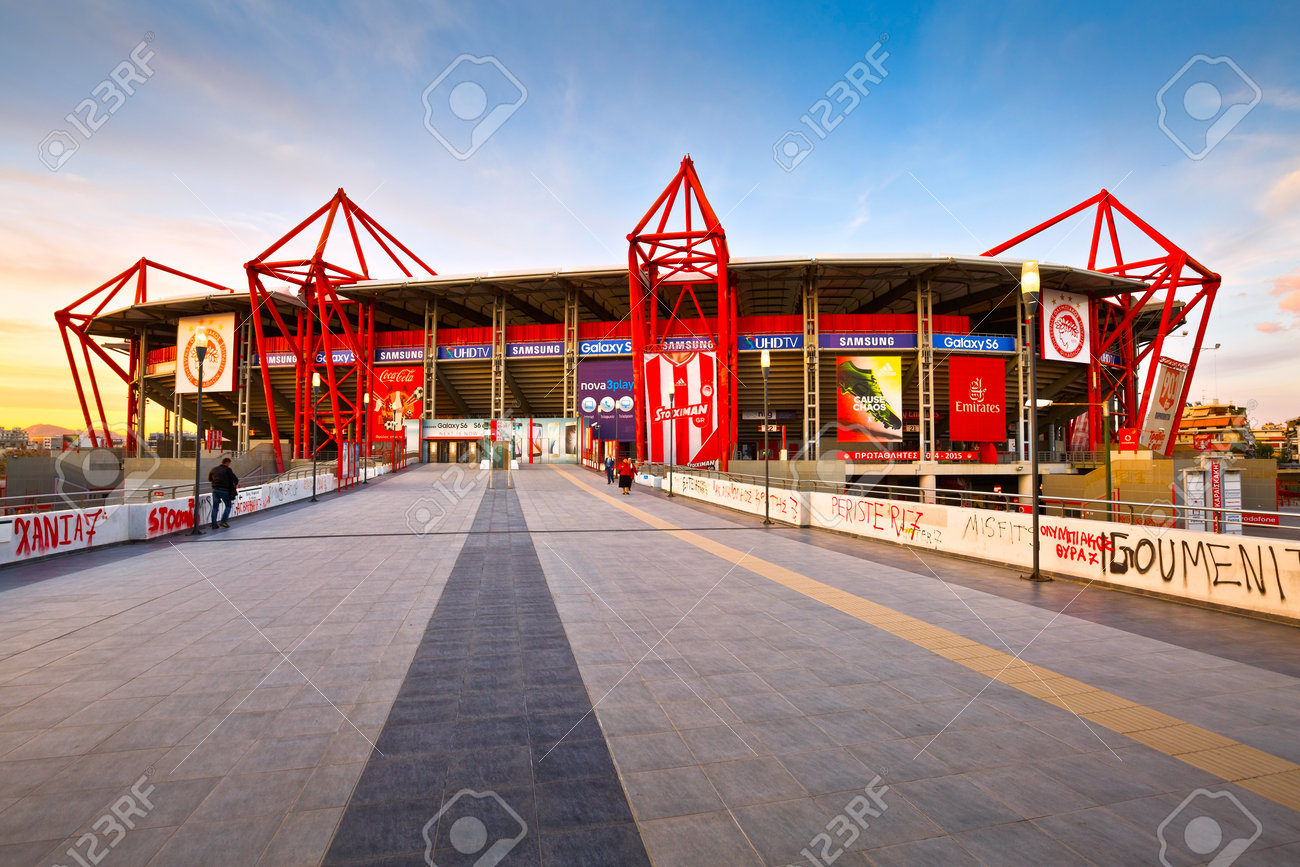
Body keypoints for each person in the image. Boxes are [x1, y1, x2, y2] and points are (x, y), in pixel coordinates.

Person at [208, 457, 238, 529]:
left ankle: (214, 524)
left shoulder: (214, 469)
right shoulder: (228, 470)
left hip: (215, 490)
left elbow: (210, 479)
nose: (229, 465)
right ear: (227, 463)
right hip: (224, 490)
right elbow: (235, 480)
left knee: (215, 507)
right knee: (228, 505)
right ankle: (223, 521)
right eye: (229, 463)